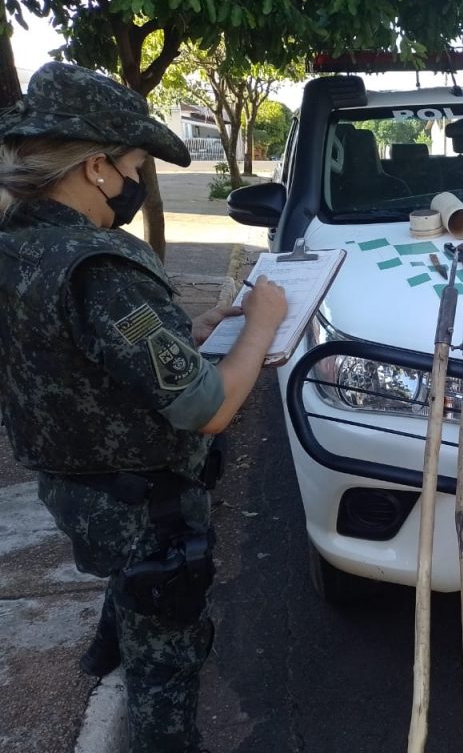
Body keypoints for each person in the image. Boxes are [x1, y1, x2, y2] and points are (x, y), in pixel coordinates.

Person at [0, 62, 287, 752]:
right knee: (167, 659)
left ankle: (107, 648)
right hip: (141, 506)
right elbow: (208, 409)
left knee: (131, 590)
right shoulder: (97, 265)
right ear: (96, 167)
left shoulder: (19, 246)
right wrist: (262, 326)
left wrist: (185, 335)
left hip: (75, 484)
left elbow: (75, 357)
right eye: (134, 166)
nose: (137, 183)